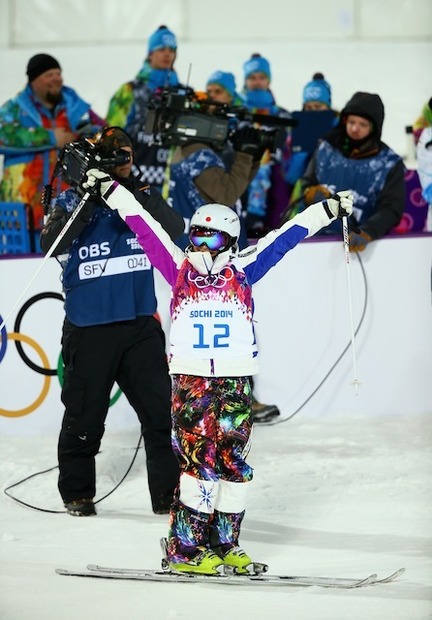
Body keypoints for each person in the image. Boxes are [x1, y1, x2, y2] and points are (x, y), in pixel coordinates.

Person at [81, 165, 353, 574]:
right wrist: (110, 189)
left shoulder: (243, 270)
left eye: (212, 237)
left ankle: (226, 543)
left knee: (234, 467)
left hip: (235, 380)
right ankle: (185, 549)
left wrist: (328, 209)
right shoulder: (178, 270)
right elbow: (142, 222)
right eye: (196, 235)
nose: (202, 245)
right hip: (191, 381)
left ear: (230, 240)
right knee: (199, 465)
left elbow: (288, 236)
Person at [40, 126, 184, 517]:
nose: (123, 160)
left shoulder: (139, 198)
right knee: (85, 418)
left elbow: (176, 230)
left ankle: (169, 497)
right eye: (113, 154)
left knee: (161, 416)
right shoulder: (71, 200)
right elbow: (52, 244)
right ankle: (77, 494)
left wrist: (130, 193)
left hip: (139, 325)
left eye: (127, 153)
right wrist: (90, 194)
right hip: (90, 328)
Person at [204, 71, 282, 423]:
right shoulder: (195, 149)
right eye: (209, 93)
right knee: (208, 329)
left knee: (236, 326)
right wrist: (243, 156)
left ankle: (239, 400)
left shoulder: (216, 145)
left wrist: (249, 152)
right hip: (203, 252)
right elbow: (224, 194)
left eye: (218, 92)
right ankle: (208, 402)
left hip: (226, 246)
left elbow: (237, 185)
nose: (212, 98)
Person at [0, 53, 104, 235]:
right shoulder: (15, 108)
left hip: (69, 210)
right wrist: (49, 138)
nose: (56, 79)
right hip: (25, 214)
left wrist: (85, 135)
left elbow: (105, 132)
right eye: (49, 74)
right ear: (34, 81)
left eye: (58, 74)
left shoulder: (75, 107)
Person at [291, 91, 405, 251]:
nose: (355, 128)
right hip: (312, 240)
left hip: (357, 245)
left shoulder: (390, 163)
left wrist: (368, 231)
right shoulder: (326, 146)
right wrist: (310, 192)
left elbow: (392, 208)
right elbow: (306, 182)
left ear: (375, 128)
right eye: (351, 122)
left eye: (363, 124)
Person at [106, 25, 183, 193]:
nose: (167, 54)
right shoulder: (130, 91)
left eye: (172, 49)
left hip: (172, 185)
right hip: (134, 181)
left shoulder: (183, 93)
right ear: (150, 53)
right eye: (161, 48)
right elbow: (110, 134)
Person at [240, 53, 292, 235]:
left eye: (262, 77)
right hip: (241, 185)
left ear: (268, 81)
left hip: (276, 191)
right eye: (252, 77)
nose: (257, 82)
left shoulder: (283, 116)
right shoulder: (237, 114)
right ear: (245, 81)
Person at [282, 72, 338, 217]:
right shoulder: (295, 131)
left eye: (318, 106)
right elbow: (290, 177)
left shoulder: (339, 127)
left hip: (332, 188)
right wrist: (301, 154)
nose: (313, 112)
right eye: (309, 107)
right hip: (303, 191)